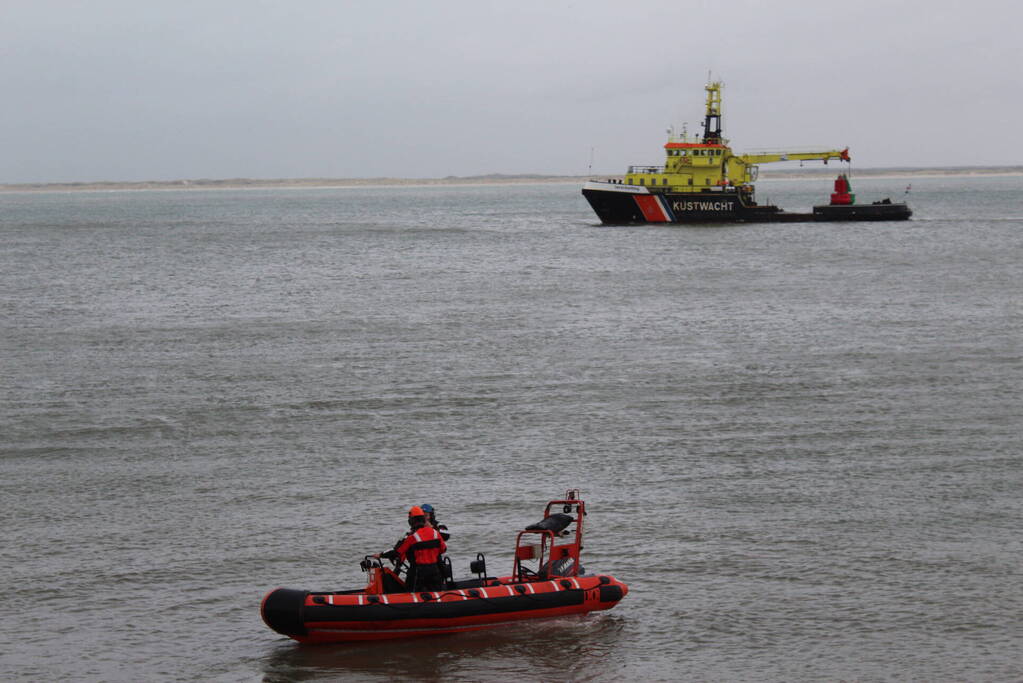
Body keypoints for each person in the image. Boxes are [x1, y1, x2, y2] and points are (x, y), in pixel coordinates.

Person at [394, 505, 447, 591]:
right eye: (424, 516)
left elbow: (445, 537)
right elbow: (400, 550)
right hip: (421, 568)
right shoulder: (413, 534)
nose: (426, 519)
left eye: (427, 515)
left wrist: (431, 528)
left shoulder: (436, 529)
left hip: (432, 565)